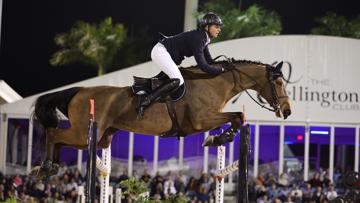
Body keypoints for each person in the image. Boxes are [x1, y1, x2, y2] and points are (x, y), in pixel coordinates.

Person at [138, 12, 226, 110]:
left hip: (163, 52)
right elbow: (203, 66)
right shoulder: (199, 38)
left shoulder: (204, 38)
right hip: (161, 52)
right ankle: (146, 100)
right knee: (178, 79)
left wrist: (224, 65)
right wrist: (221, 70)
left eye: (219, 27)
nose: (219, 29)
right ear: (207, 27)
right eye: (217, 27)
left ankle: (142, 87)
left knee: (170, 78)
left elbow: (209, 61)